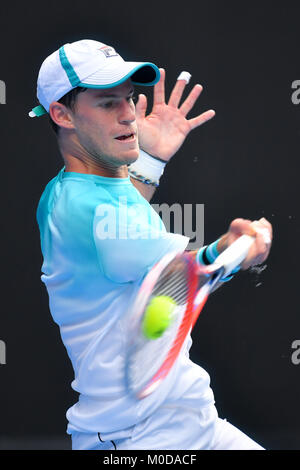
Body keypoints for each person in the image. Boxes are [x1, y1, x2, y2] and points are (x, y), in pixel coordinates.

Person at [31, 39, 272, 450]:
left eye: (128, 99)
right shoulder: (84, 209)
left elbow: (120, 242)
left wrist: (151, 160)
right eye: (108, 104)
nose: (129, 114)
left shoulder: (74, 191)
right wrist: (240, 249)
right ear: (61, 114)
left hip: (194, 423)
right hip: (136, 440)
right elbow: (182, 277)